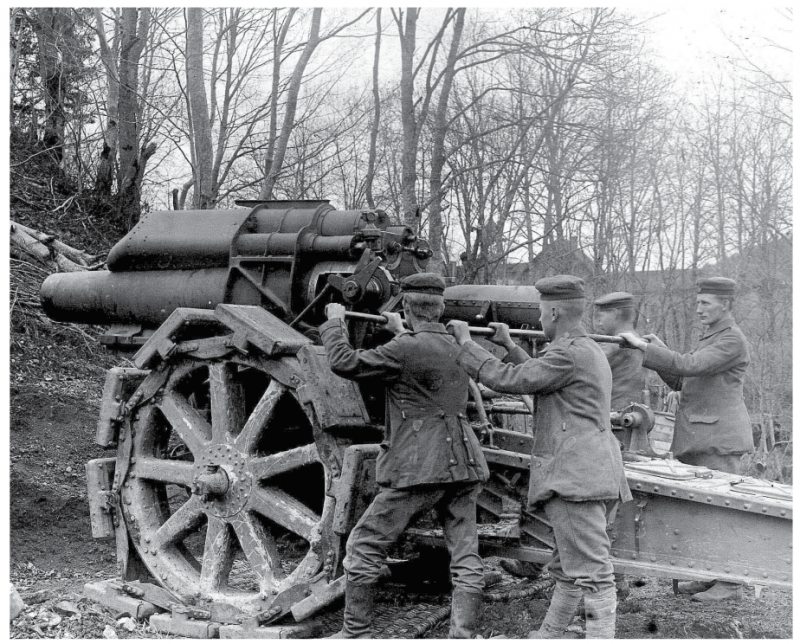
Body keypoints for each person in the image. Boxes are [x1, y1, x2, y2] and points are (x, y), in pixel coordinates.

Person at [449, 275, 631, 639]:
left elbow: (509, 380)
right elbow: (539, 379)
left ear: (552, 311)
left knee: (594, 574)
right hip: (592, 470)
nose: (540, 320)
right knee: (568, 569)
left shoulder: (567, 354)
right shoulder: (585, 348)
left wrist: (467, 344)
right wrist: (509, 344)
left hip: (574, 477)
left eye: (540, 313)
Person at [320, 272, 489, 638]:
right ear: (441, 308)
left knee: (364, 544)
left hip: (419, 465)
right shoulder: (461, 344)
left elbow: (345, 363)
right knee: (464, 553)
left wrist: (334, 323)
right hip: (465, 462)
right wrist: (403, 331)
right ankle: (463, 635)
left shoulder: (405, 348)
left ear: (407, 309)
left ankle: (355, 633)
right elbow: (426, 360)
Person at [619, 276, 754, 603]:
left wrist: (647, 349)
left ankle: (734, 584)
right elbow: (682, 379)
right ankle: (714, 577)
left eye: (705, 304)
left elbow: (691, 365)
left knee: (726, 512)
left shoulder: (731, 339)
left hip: (718, 440)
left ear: (726, 305)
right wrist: (660, 351)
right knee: (704, 514)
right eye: (697, 303)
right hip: (699, 436)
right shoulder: (711, 337)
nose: (698, 310)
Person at [592, 291, 648, 602]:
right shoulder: (628, 341)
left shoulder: (616, 344)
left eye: (602, 314)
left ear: (617, 315)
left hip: (612, 428)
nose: (597, 319)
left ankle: (616, 582)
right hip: (619, 427)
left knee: (605, 507)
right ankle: (616, 579)